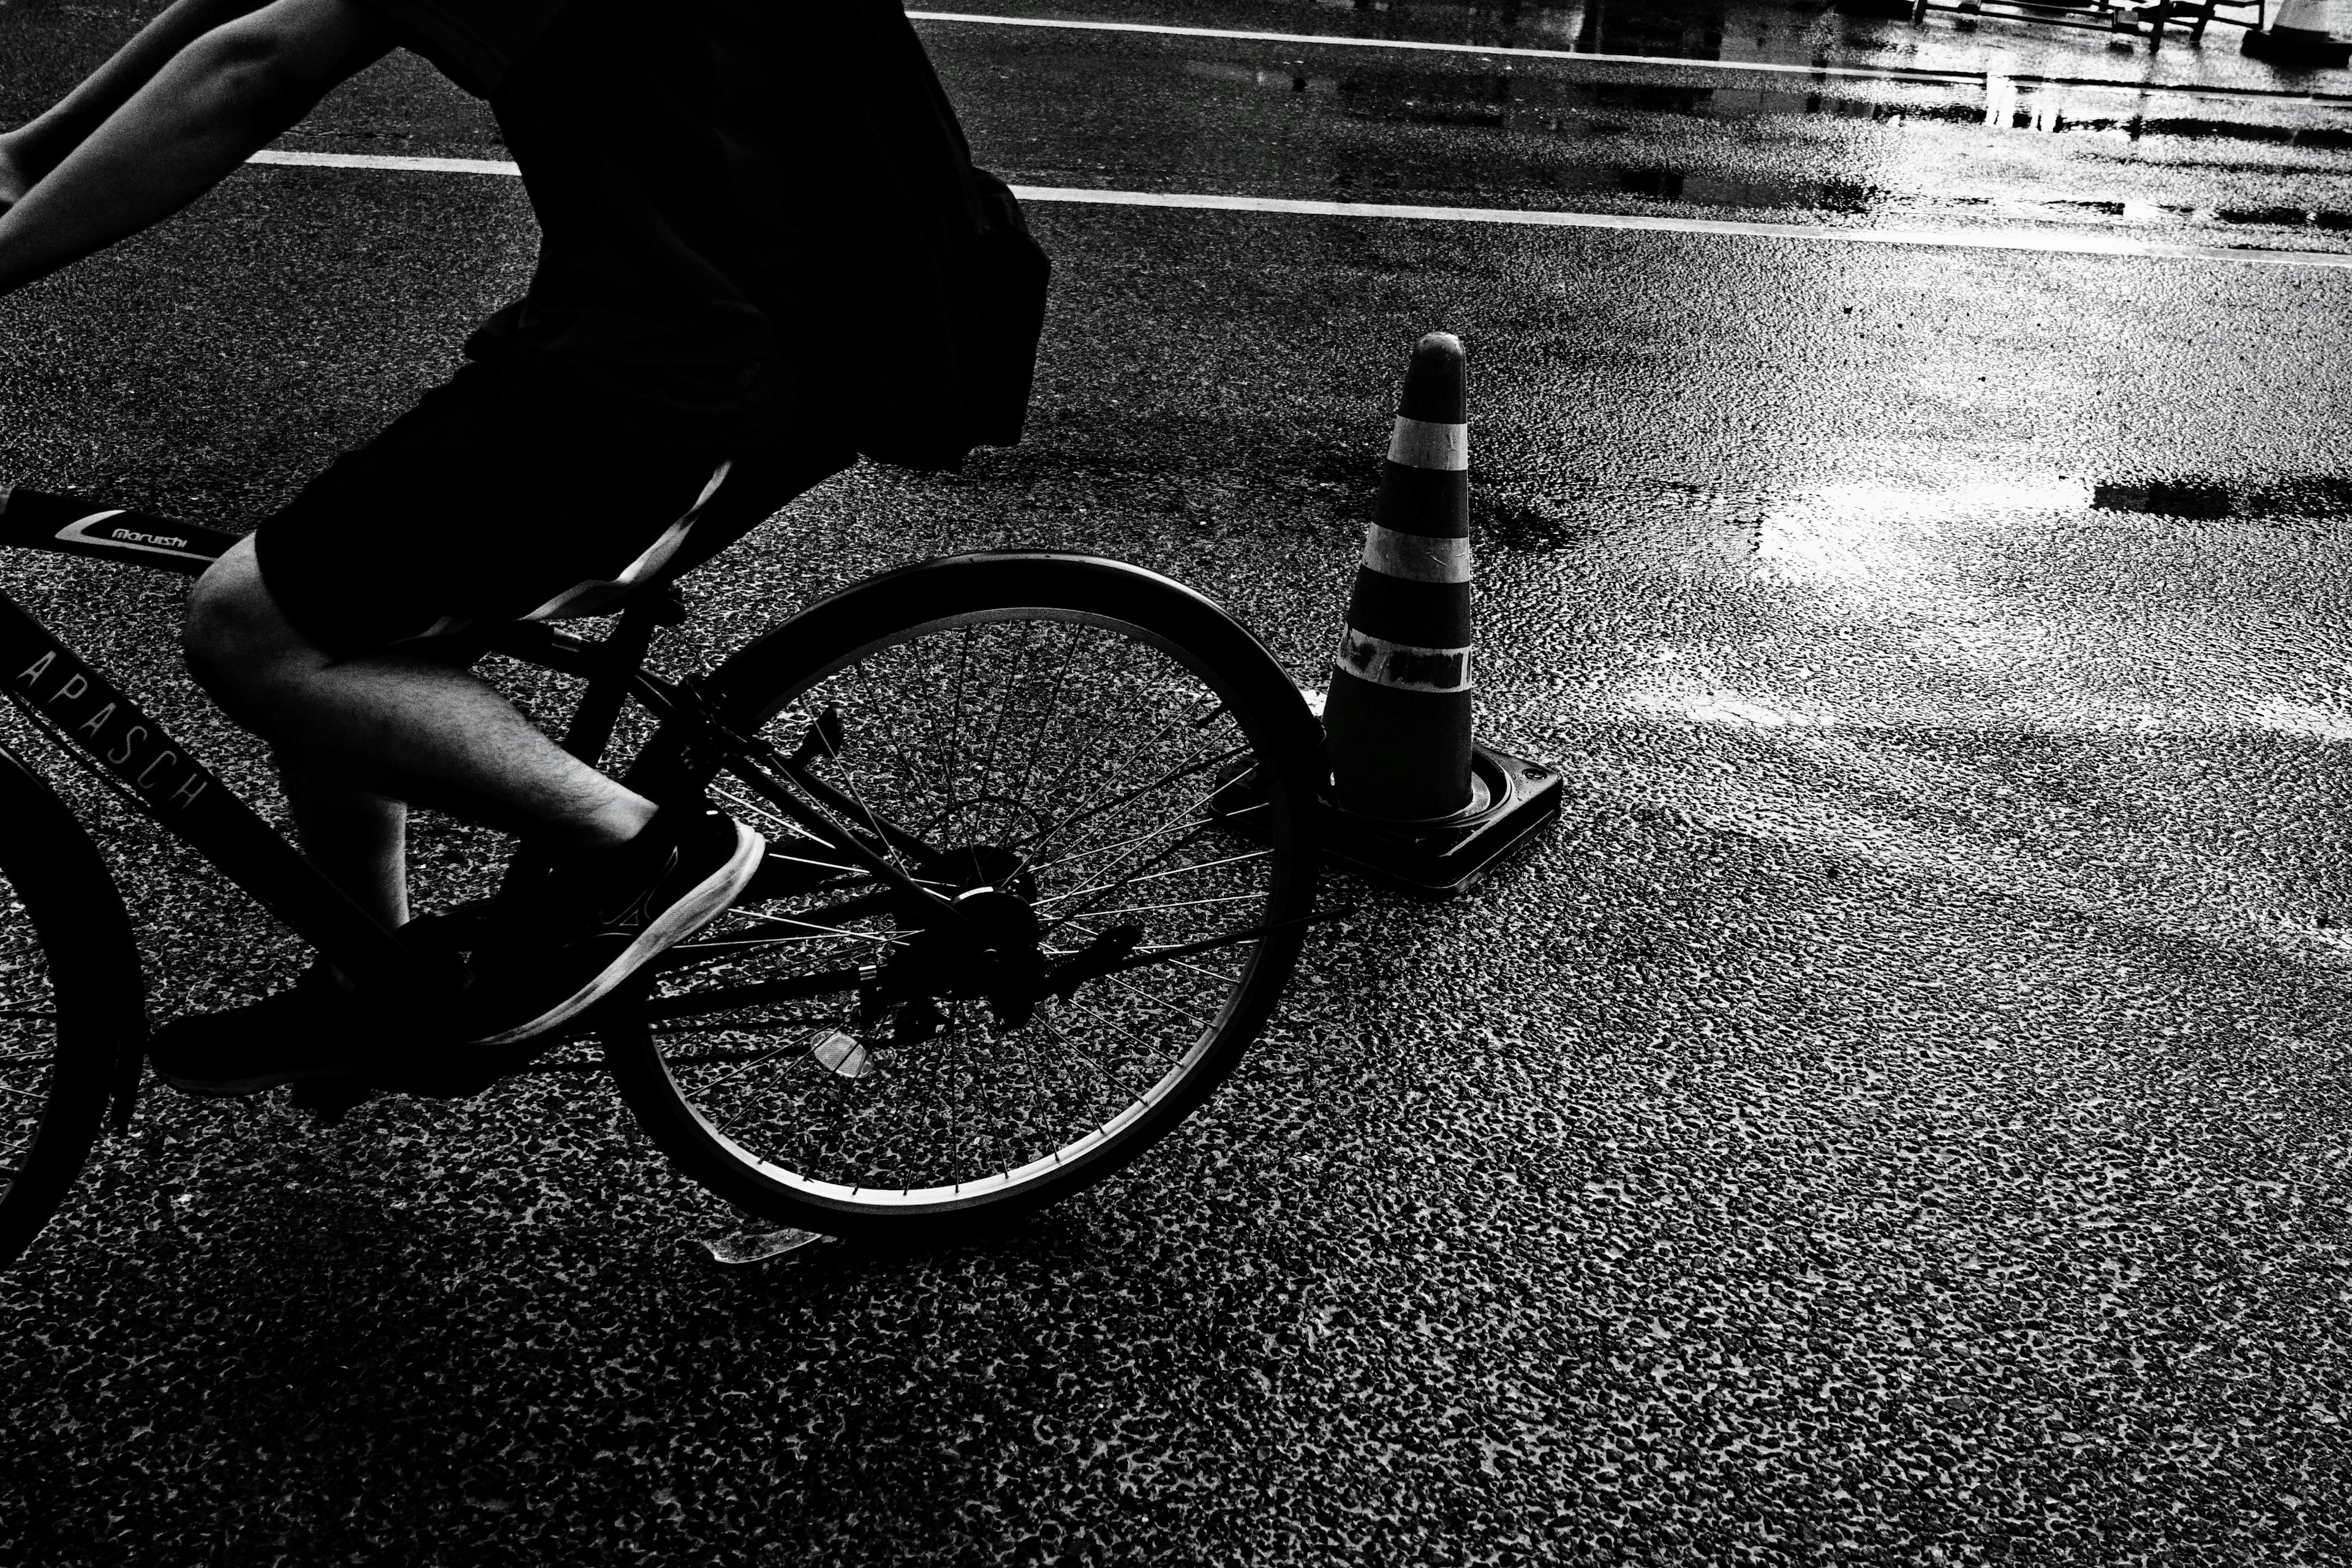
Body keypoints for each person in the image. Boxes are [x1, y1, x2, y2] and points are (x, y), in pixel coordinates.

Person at [0, 0, 1046, 1093]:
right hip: (708, 301)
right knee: (333, 597)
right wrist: (32, 153)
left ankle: (647, 855)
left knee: (255, 625)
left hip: (745, 343)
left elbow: (254, 69)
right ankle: (381, 980)